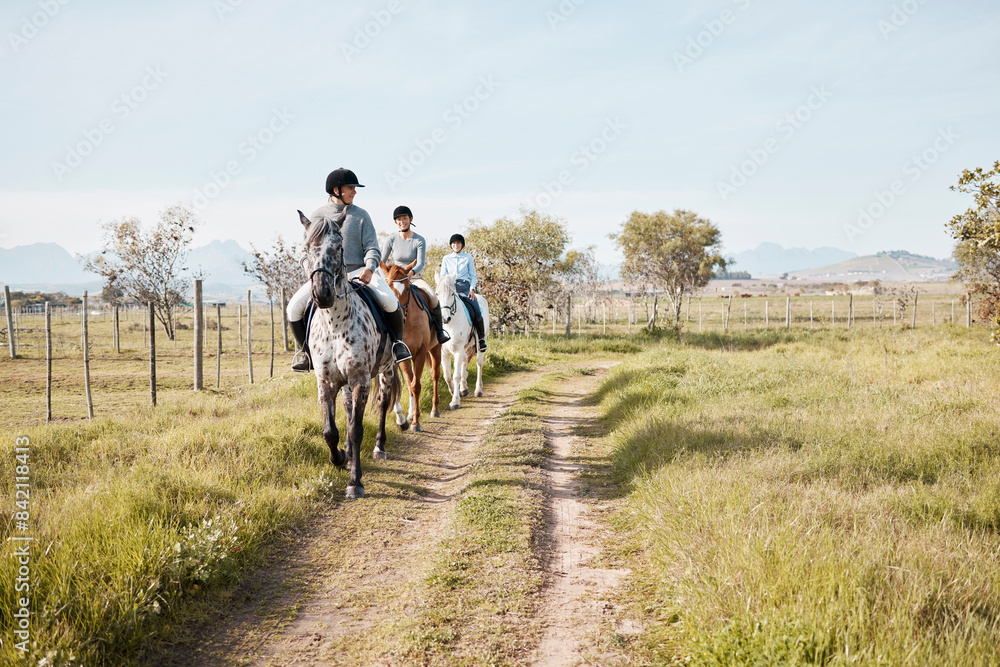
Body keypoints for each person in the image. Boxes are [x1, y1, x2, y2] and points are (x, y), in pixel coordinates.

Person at [287, 168, 412, 371]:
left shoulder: (361, 215)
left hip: (358, 272)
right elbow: (305, 252)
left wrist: (370, 268)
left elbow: (372, 247)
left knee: (390, 301)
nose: (355, 192)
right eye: (351, 188)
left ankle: (398, 345)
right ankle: (306, 353)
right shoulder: (317, 216)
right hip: (324, 275)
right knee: (293, 307)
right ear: (336, 190)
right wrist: (311, 274)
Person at [380, 205, 450, 345]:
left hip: (414, 277)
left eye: (404, 218)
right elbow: (382, 261)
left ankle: (439, 330)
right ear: (396, 222)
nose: (402, 221)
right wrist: (387, 276)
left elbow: (420, 262)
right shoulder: (391, 239)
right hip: (396, 279)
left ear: (410, 219)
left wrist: (411, 272)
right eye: (399, 219)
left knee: (433, 297)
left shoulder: (419, 240)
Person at [439, 233, 487, 351]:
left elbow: (473, 276)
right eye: (454, 243)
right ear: (451, 245)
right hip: (449, 287)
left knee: (476, 310)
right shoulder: (446, 258)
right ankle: (438, 336)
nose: (456, 245)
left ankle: (481, 339)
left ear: (462, 245)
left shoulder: (468, 258)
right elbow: (442, 276)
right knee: (438, 308)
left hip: (464, 287)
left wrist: (472, 289)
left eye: (458, 243)